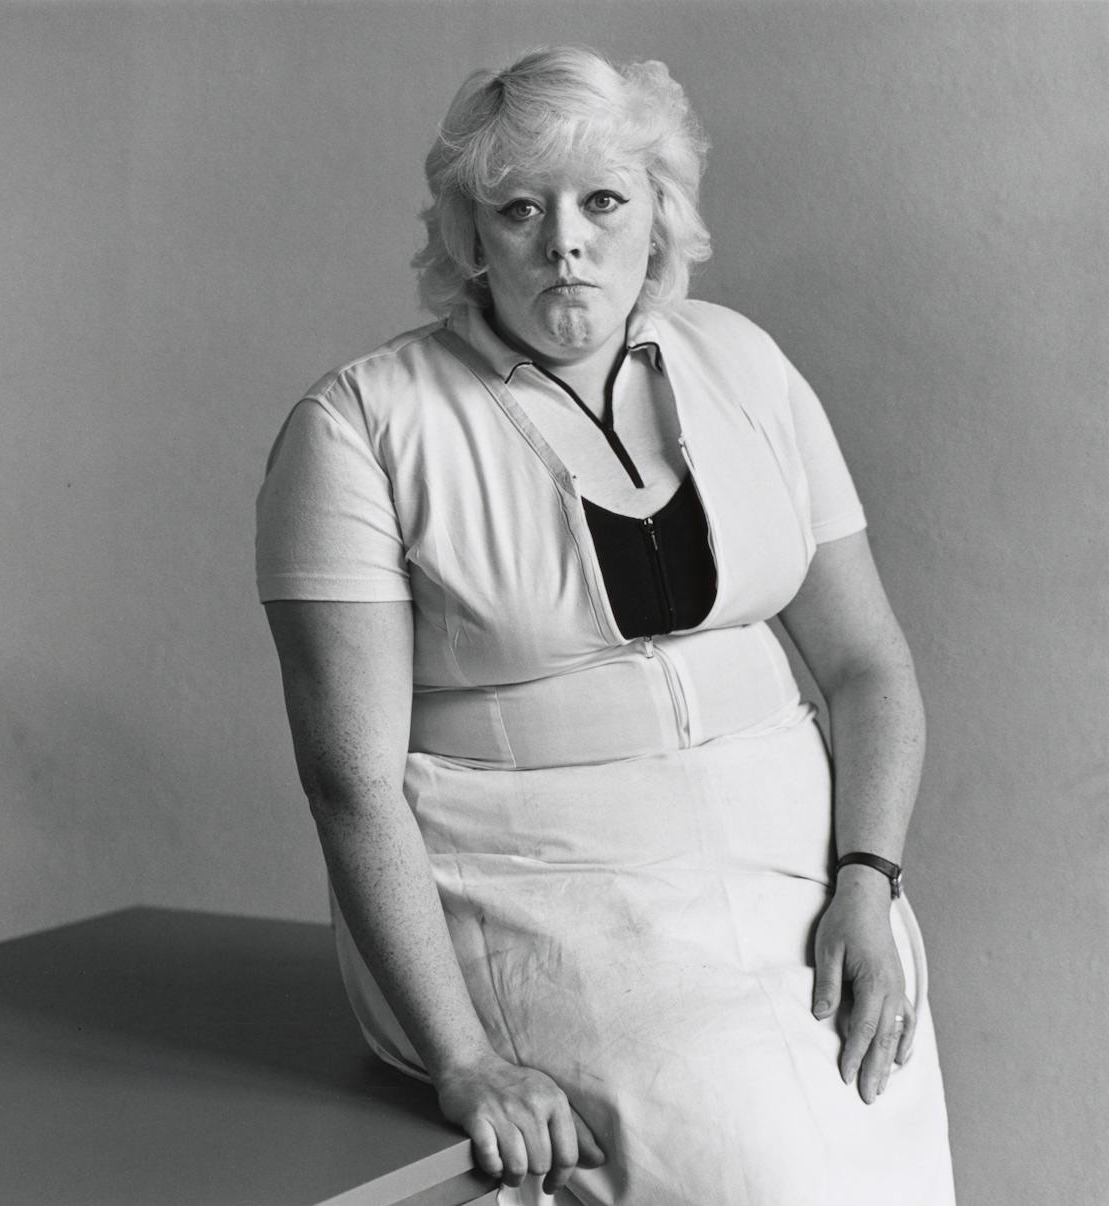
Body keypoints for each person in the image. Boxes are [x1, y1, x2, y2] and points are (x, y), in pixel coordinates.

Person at [256, 46, 955, 1206]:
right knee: (762, 1173)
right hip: (537, 897)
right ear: (470, 234)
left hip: (804, 887)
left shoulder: (747, 365)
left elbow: (868, 665)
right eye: (520, 209)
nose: (566, 243)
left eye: (603, 202)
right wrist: (465, 1059)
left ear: (659, 213)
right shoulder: (359, 426)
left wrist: (869, 883)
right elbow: (350, 785)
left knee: (884, 1151)